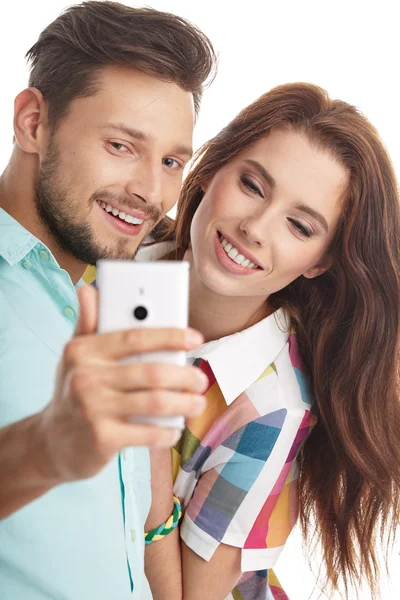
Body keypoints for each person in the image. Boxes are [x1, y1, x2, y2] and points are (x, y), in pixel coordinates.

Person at [141, 83, 400, 600]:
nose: (255, 228)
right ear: (213, 166)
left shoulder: (269, 406)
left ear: (322, 262)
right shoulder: (123, 252)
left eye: (300, 226)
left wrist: (144, 455)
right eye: (253, 186)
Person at [0, 2, 216, 599]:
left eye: (171, 161)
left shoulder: (123, 294)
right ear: (33, 123)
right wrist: (45, 446)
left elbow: (141, 535)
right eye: (122, 145)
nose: (151, 192)